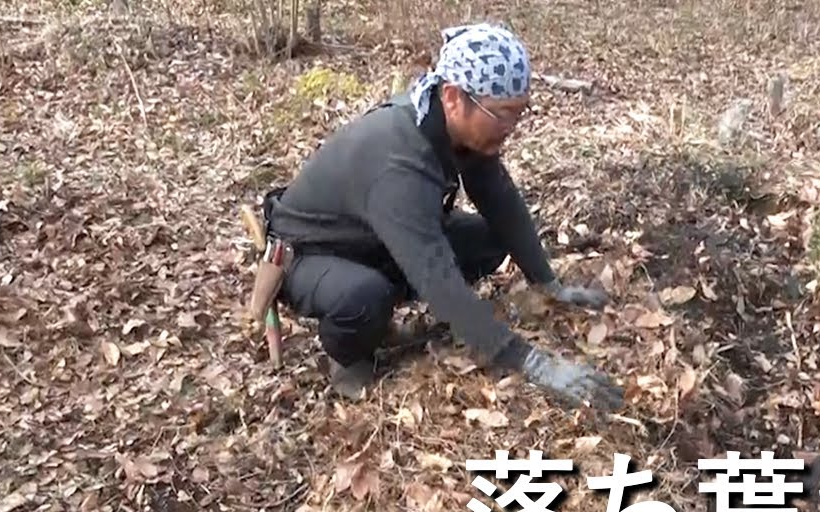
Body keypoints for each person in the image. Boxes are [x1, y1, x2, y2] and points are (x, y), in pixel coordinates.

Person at [261, 22, 625, 412]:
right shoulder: (398, 161)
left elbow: (498, 197)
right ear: (453, 97)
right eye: (502, 114)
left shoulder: (450, 123)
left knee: (492, 238)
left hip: (378, 238)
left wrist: (548, 282)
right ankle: (347, 355)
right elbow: (436, 274)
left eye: (519, 113)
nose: (511, 128)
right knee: (362, 297)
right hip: (312, 256)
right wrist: (533, 363)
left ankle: (384, 299)